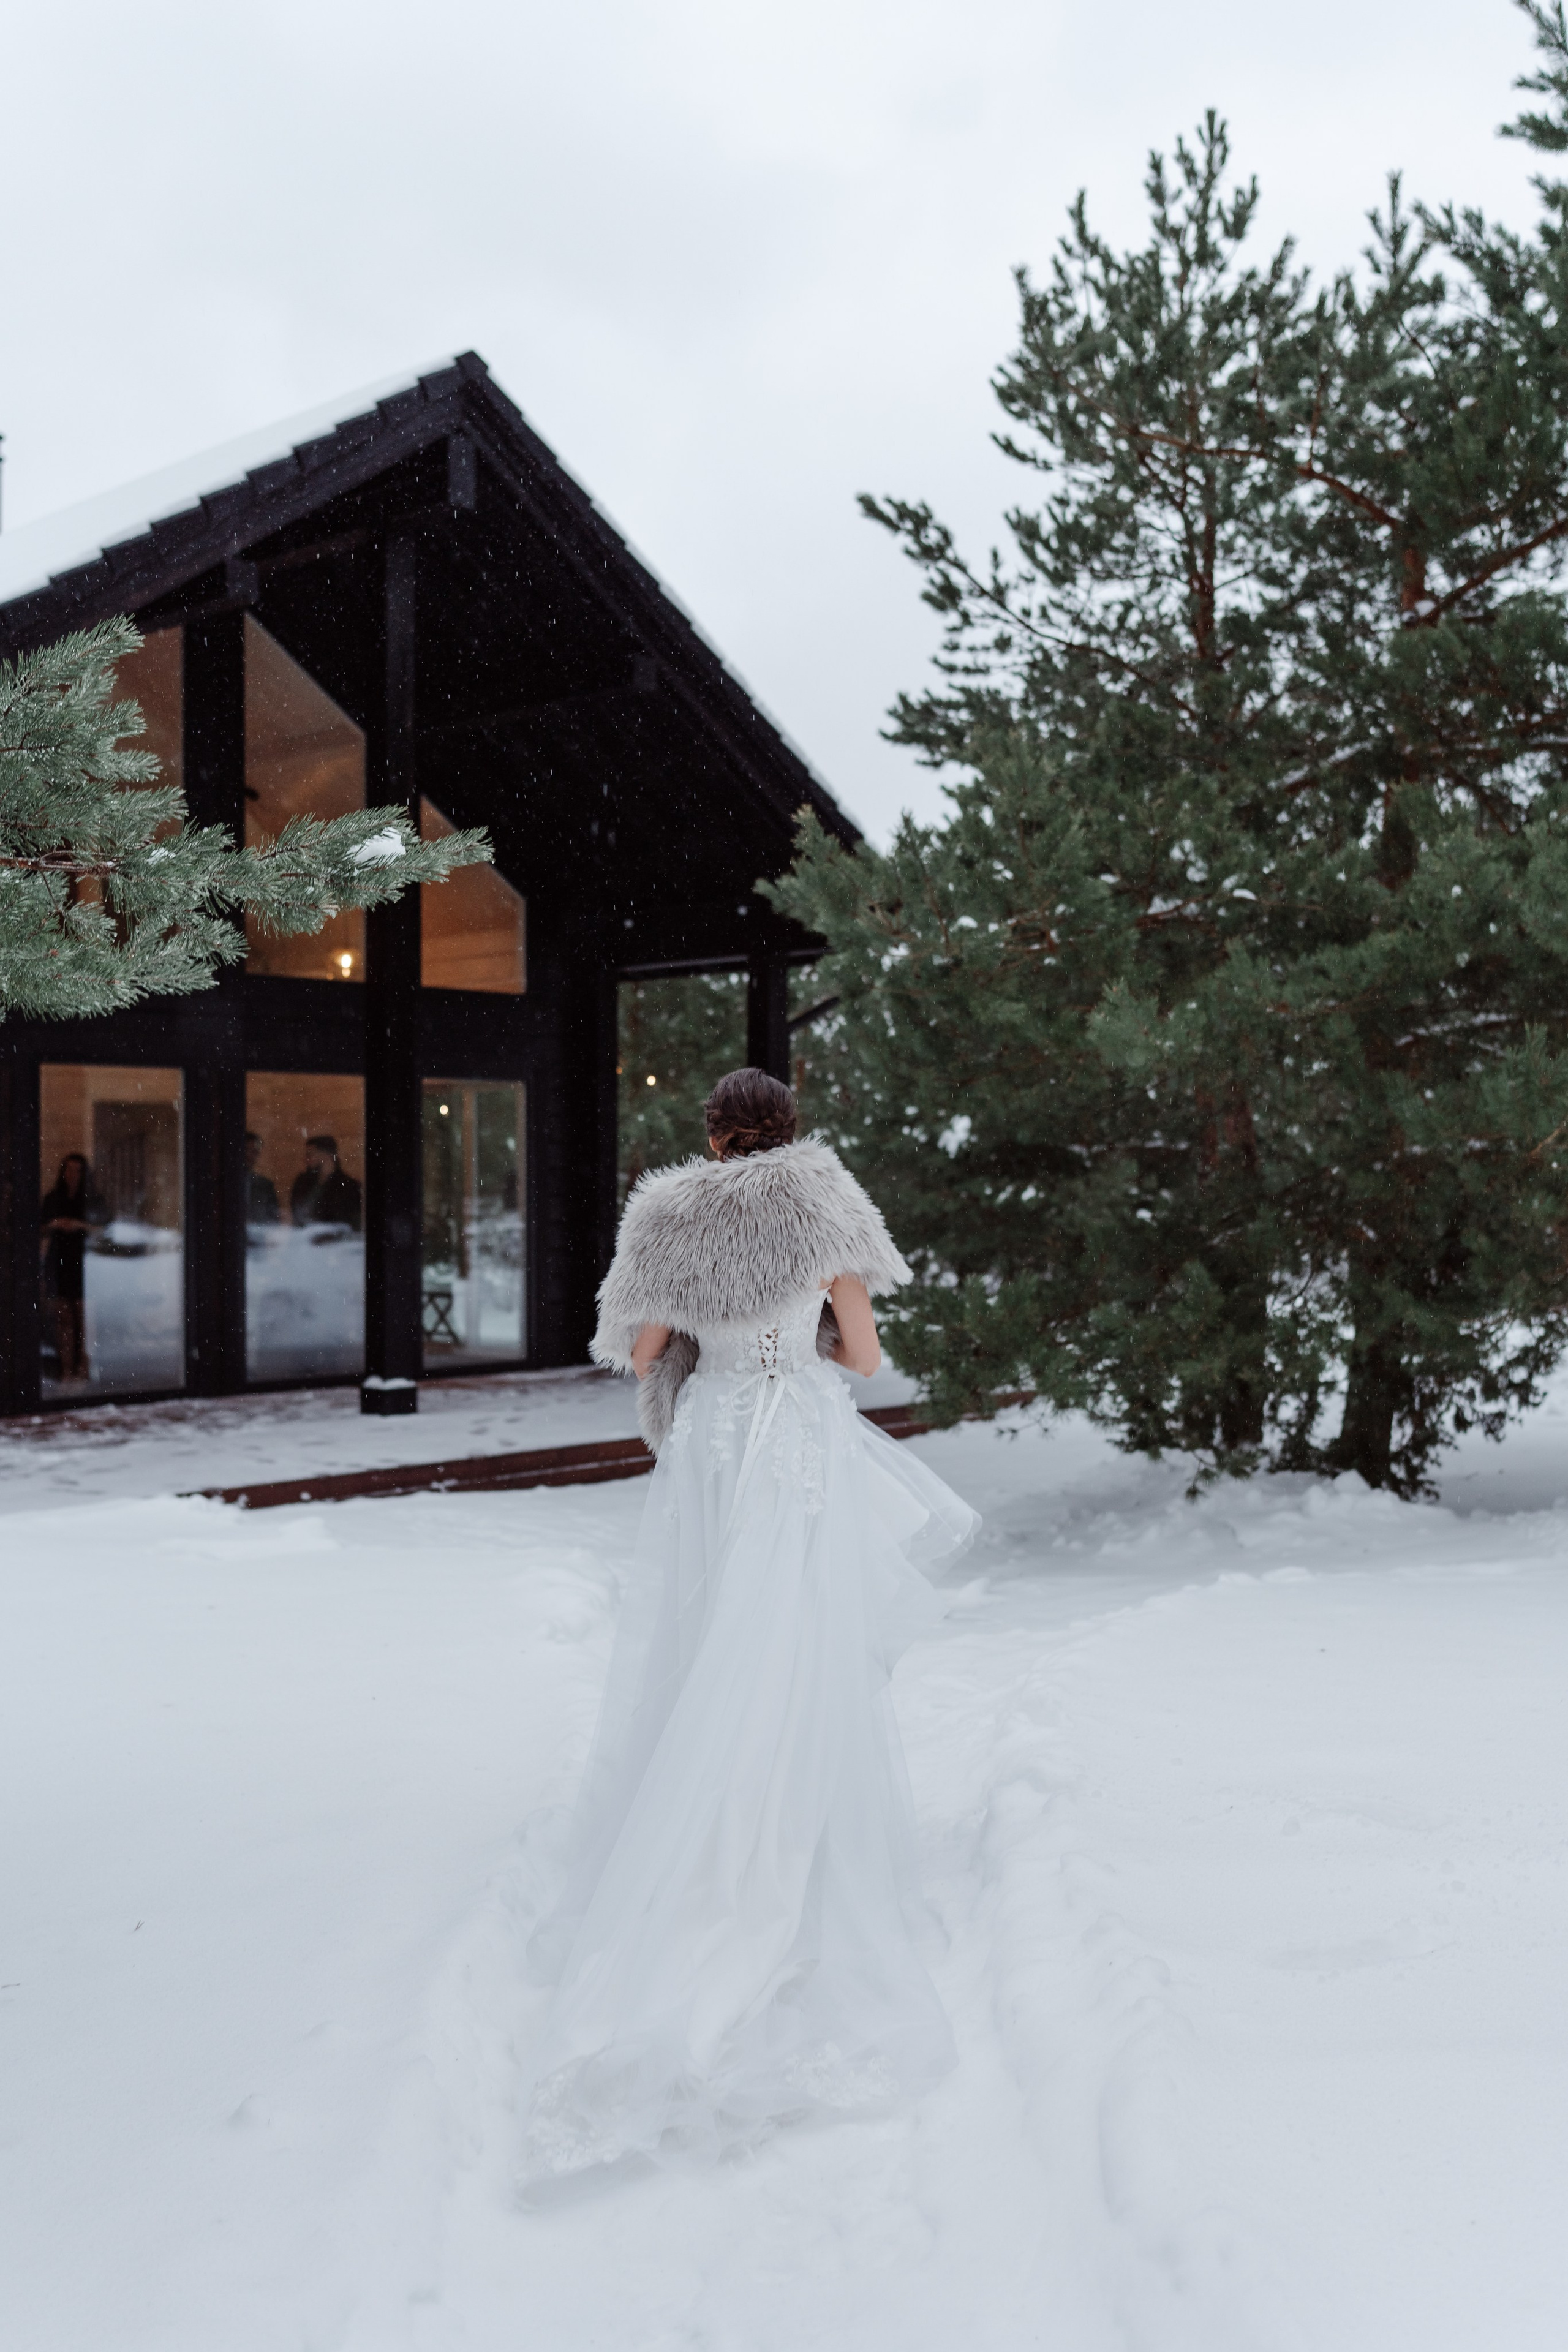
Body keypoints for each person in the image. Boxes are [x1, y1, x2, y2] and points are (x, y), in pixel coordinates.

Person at [518, 1067, 979, 2180]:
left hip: (715, 1437)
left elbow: (640, 1356)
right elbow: (865, 1359)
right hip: (798, 1436)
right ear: (787, 1130)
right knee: (795, 1633)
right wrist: (799, 1334)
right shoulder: (823, 1202)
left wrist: (712, 1343)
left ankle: (697, 1814)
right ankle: (787, 1812)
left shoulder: (667, 1215)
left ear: (714, 1136)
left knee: (712, 1627)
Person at [39, 1152, 107, 1383]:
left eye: (78, 1170)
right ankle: (67, 1368)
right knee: (63, 1317)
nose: (73, 1175)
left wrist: (80, 1225)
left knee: (83, 1315)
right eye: (69, 1169)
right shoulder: (53, 1198)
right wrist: (55, 1224)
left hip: (83, 1261)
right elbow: (40, 1228)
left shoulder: (92, 1200)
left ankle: (83, 1366)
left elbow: (104, 1228)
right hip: (59, 1260)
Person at [288, 1134, 361, 1231]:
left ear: (326, 1155)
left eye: (310, 1154)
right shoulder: (302, 1182)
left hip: (332, 1238)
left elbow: (349, 1223)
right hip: (304, 1236)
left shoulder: (348, 1187)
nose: (306, 1159)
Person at [245, 1132, 281, 1225]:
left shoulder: (265, 1185)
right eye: (246, 1150)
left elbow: (273, 1219)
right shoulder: (225, 1183)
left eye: (254, 1152)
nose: (249, 1155)